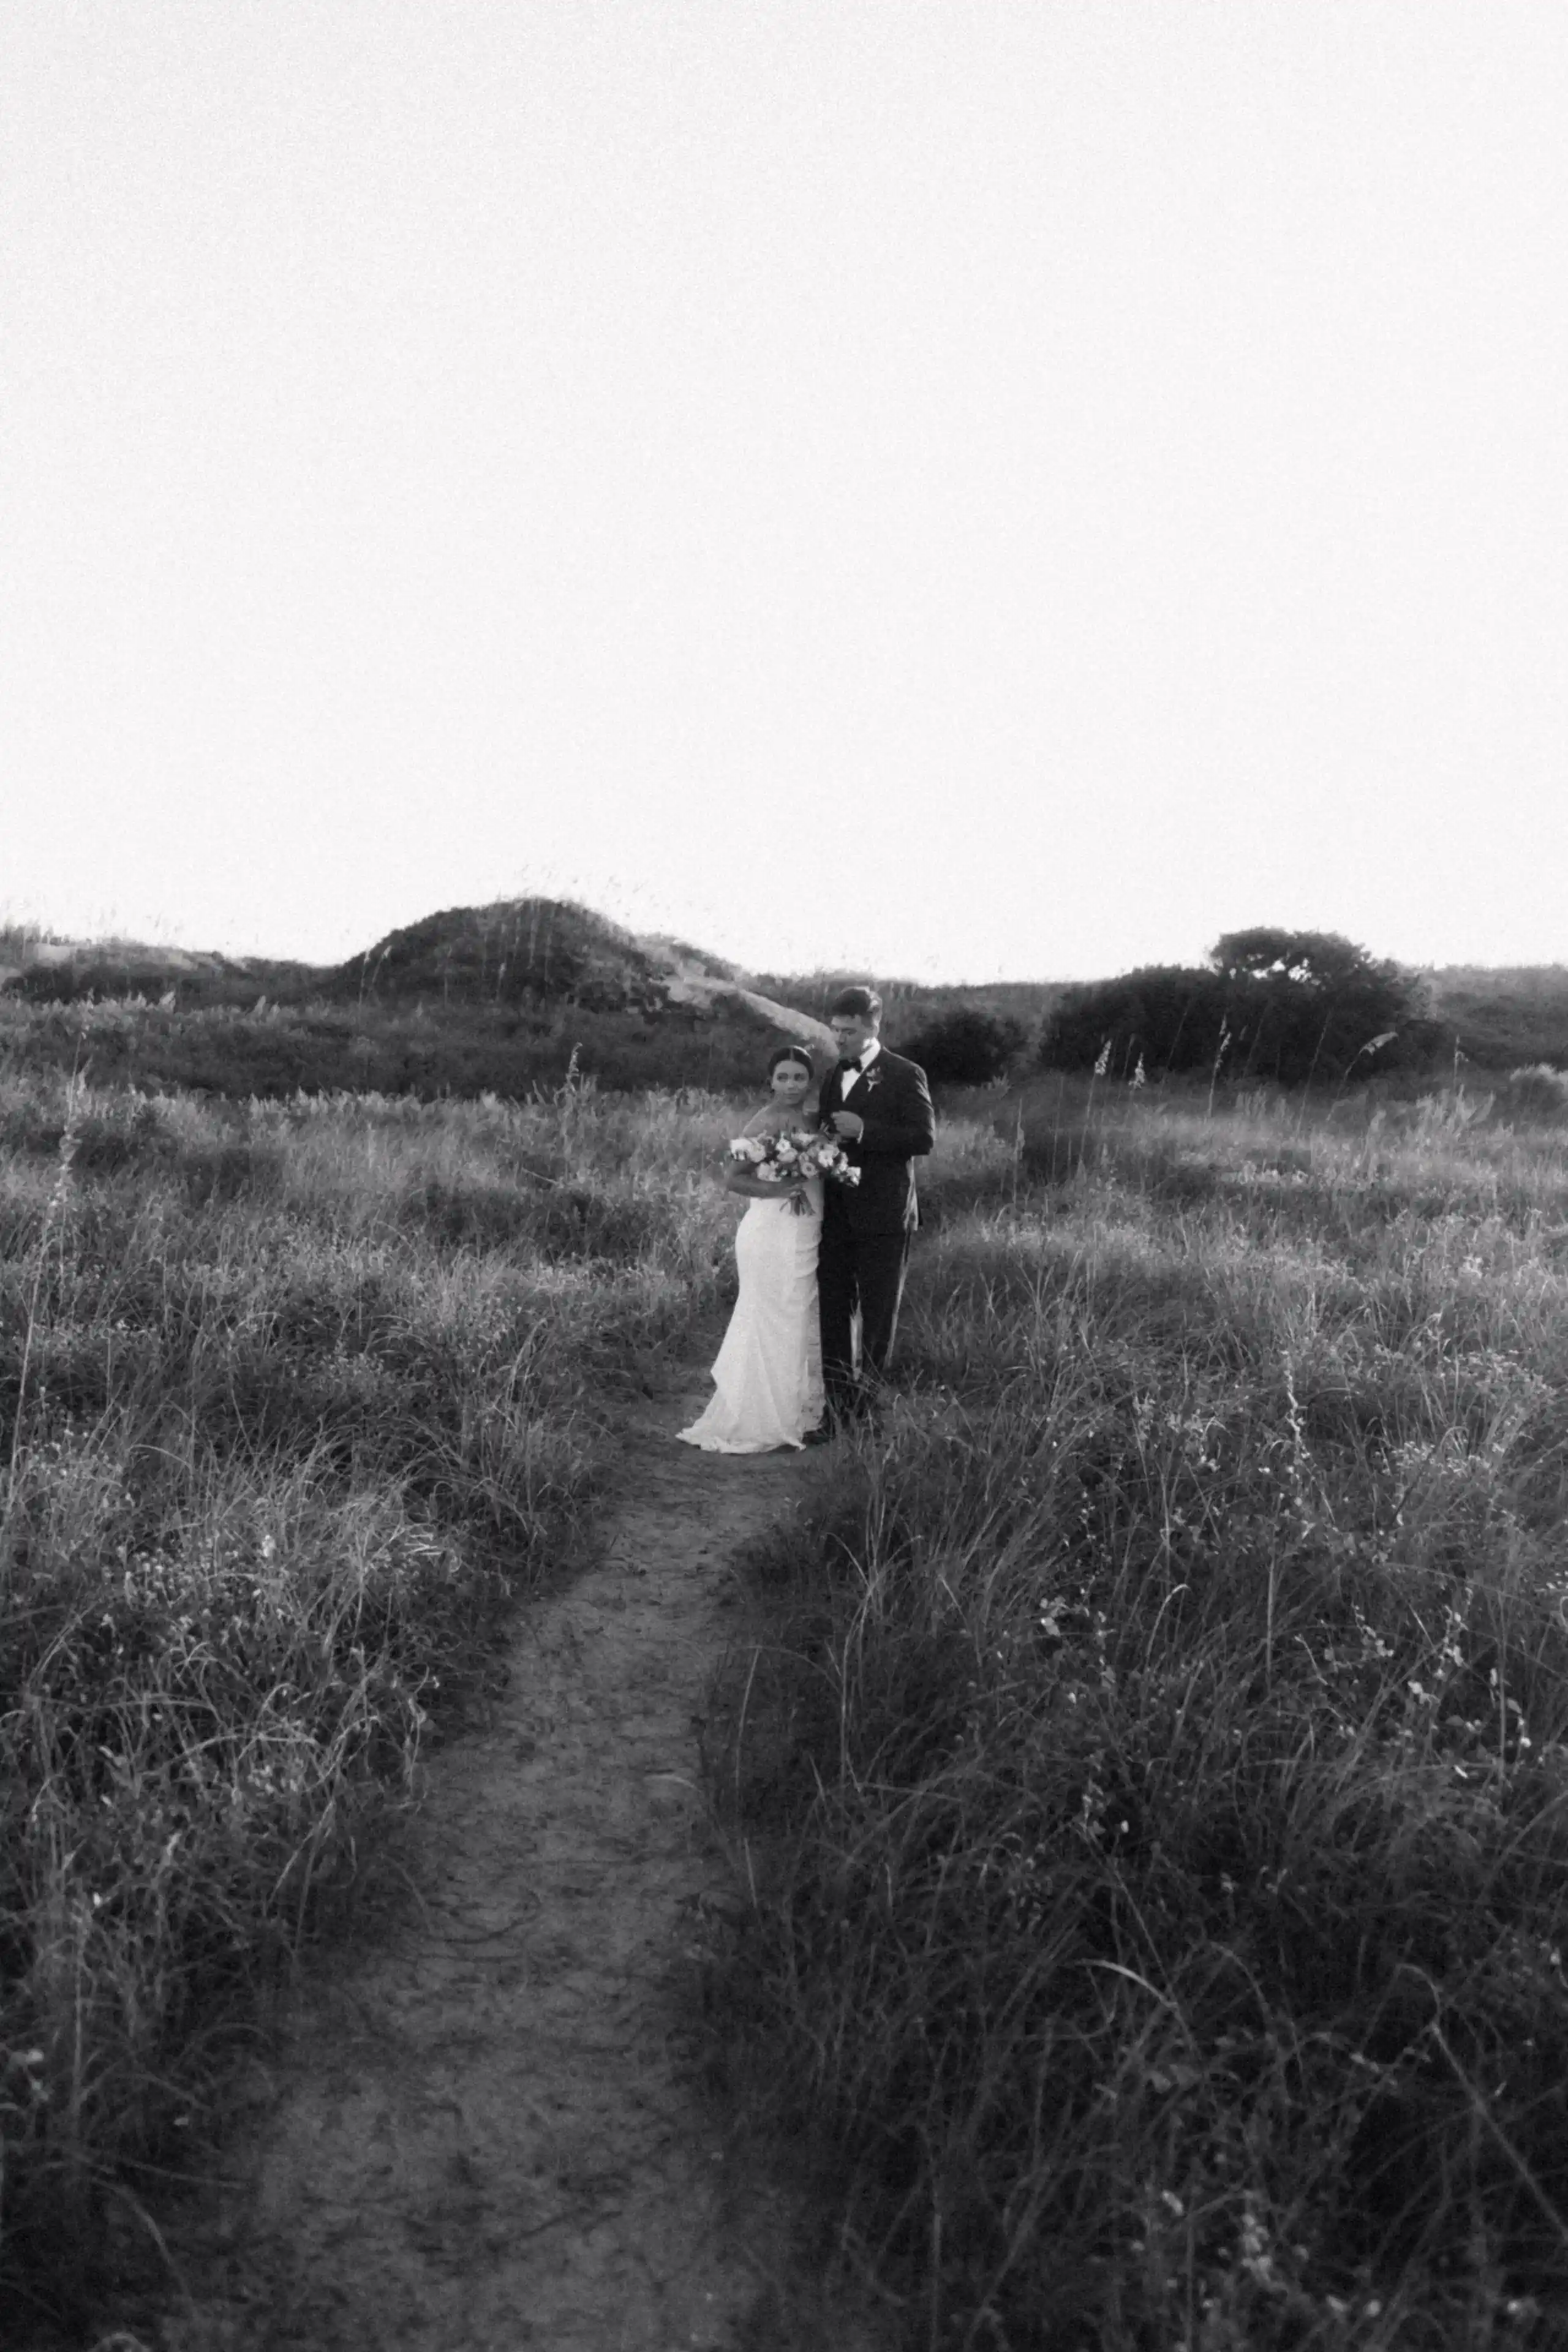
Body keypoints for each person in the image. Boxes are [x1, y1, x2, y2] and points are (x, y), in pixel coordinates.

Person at [677, 1045, 827, 1453]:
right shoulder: (764, 1120)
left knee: (795, 1319)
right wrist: (779, 1187)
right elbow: (733, 1179)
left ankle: (791, 1411)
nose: (791, 1085)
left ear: (809, 1081)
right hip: (773, 1228)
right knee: (772, 1317)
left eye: (799, 1077)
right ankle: (759, 1418)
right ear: (770, 1080)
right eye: (784, 1077)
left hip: (807, 1226)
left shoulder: (813, 1119)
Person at [807, 987, 935, 1440]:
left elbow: (923, 1138)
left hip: (884, 1216)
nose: (839, 1039)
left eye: (849, 1031)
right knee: (834, 1313)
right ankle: (835, 1414)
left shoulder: (905, 1073)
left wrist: (865, 1130)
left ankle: (869, 1416)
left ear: (874, 1026)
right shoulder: (831, 1076)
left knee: (879, 1319)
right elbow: (825, 1136)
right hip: (837, 1214)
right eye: (835, 1030)